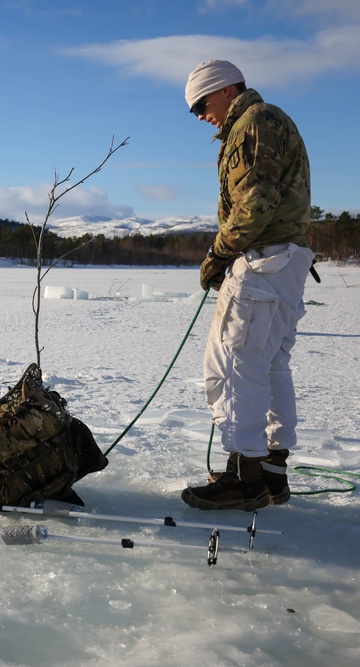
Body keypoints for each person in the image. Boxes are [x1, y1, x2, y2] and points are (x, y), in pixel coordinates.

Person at [181, 60, 315, 511]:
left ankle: (246, 476)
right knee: (270, 364)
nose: (201, 116)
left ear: (224, 90)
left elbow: (256, 202)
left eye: (201, 104)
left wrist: (218, 254)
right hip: (285, 261)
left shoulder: (252, 124)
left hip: (262, 263)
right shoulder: (268, 120)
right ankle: (272, 472)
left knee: (235, 364)